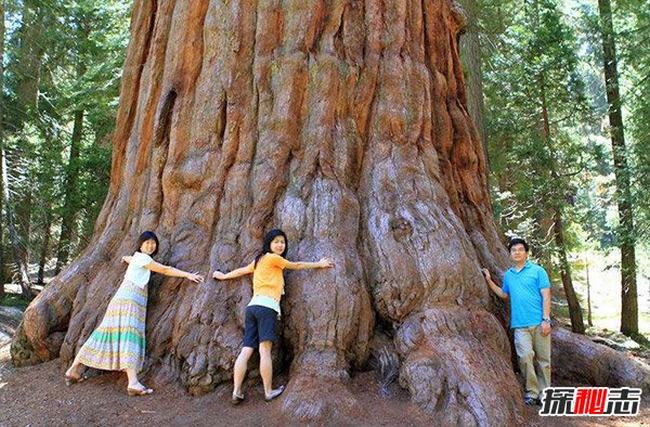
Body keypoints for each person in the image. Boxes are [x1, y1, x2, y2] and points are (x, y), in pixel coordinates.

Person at [64, 231, 204, 396]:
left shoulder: (138, 258)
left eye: (153, 243)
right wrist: (187, 275)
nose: (150, 246)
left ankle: (73, 370)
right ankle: (133, 382)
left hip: (123, 299)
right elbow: (165, 269)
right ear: (140, 244)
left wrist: (126, 258)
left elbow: (132, 259)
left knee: (104, 334)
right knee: (129, 337)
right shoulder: (144, 259)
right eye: (147, 243)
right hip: (130, 301)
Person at [212, 228, 334, 404]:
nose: (280, 245)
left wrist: (223, 276)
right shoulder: (272, 258)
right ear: (269, 244)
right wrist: (319, 264)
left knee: (246, 350)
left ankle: (237, 390)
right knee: (264, 350)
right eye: (276, 241)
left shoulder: (258, 260)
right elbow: (297, 265)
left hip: (252, 307)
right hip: (267, 307)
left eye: (282, 242)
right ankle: (268, 391)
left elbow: (241, 271)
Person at [481, 237, 551, 406]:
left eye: (520, 249)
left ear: (526, 253)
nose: (517, 252)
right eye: (514, 250)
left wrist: (546, 319)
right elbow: (504, 294)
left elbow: (546, 295)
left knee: (543, 360)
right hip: (520, 325)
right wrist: (489, 280)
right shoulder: (509, 276)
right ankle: (532, 392)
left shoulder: (538, 271)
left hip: (539, 322)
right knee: (525, 357)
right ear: (510, 254)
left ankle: (545, 393)